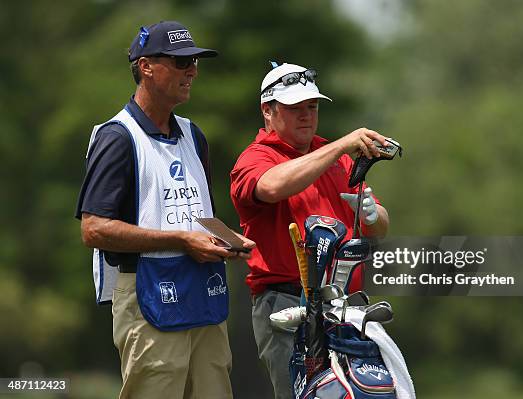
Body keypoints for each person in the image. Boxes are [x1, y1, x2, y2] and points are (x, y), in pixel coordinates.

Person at [75, 21, 254, 399]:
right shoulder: (117, 136)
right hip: (148, 295)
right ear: (145, 67)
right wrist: (180, 240)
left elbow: (197, 214)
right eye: (179, 61)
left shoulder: (194, 134)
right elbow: (94, 229)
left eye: (194, 62)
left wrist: (227, 238)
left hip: (204, 293)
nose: (192, 70)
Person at [230, 62, 390, 399]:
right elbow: (272, 186)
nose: (306, 115)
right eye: (294, 108)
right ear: (268, 112)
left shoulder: (335, 156)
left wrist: (373, 215)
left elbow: (379, 229)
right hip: (286, 302)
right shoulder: (256, 157)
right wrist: (340, 146)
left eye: (312, 107)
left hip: (344, 305)